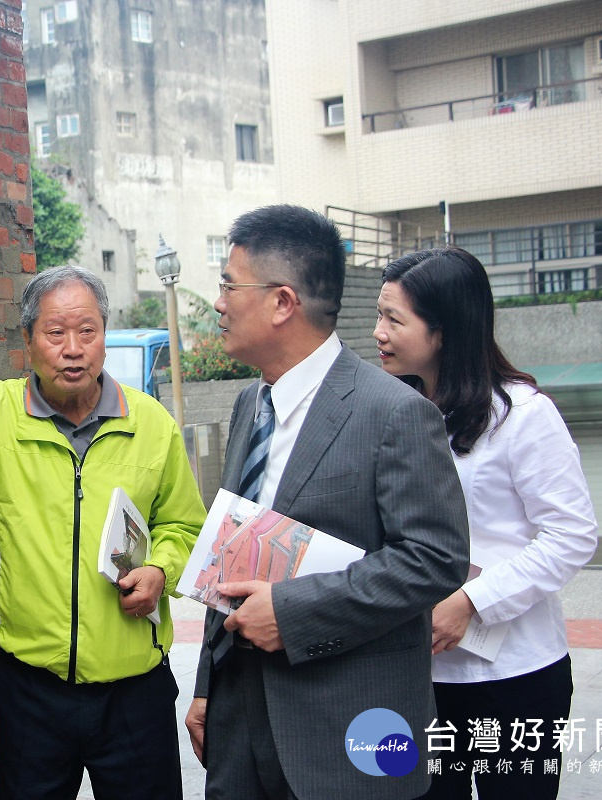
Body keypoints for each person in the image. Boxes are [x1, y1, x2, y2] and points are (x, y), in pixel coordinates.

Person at [0, 255, 205, 800]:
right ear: (27, 342)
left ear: (105, 337)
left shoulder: (151, 425)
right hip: (30, 688)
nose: (72, 348)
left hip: (134, 690)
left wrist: (159, 570)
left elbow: (183, 525)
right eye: (55, 333)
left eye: (87, 331)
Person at [184, 204, 470, 800]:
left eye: (229, 286)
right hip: (239, 725)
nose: (217, 303)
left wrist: (291, 612)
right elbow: (233, 553)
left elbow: (434, 560)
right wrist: (209, 684)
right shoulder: (248, 406)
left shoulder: (393, 412)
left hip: (345, 729)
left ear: (283, 302)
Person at [374, 247, 598, 799]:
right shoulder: (392, 413)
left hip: (516, 681)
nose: (378, 332)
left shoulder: (523, 416)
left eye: (394, 319)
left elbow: (572, 535)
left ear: (445, 330)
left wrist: (472, 602)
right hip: (417, 679)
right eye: (378, 315)